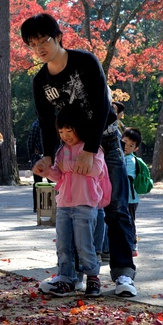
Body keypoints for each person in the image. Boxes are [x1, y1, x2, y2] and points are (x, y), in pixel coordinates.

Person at [21, 12, 138, 297]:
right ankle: (70, 277)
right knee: (71, 213)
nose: (39, 48)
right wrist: (49, 156)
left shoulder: (85, 62)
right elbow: (48, 123)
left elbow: (101, 108)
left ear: (59, 37)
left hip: (106, 144)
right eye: (32, 44)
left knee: (117, 209)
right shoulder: (40, 82)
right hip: (71, 151)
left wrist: (89, 150)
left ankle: (123, 276)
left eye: (44, 40)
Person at [34, 108, 111, 297]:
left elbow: (94, 170)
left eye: (69, 131)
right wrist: (46, 172)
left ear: (80, 128)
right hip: (63, 205)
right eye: (61, 132)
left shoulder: (92, 149)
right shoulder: (61, 151)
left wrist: (66, 166)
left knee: (84, 245)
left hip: (85, 203)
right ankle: (66, 278)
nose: (65, 136)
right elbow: (59, 176)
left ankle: (92, 277)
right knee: (63, 244)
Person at [27, 118, 44, 211]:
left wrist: (31, 156)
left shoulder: (35, 124)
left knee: (37, 183)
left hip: (37, 156)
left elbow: (30, 142)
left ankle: (37, 206)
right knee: (53, 182)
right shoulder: (52, 123)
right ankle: (53, 204)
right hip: (49, 157)